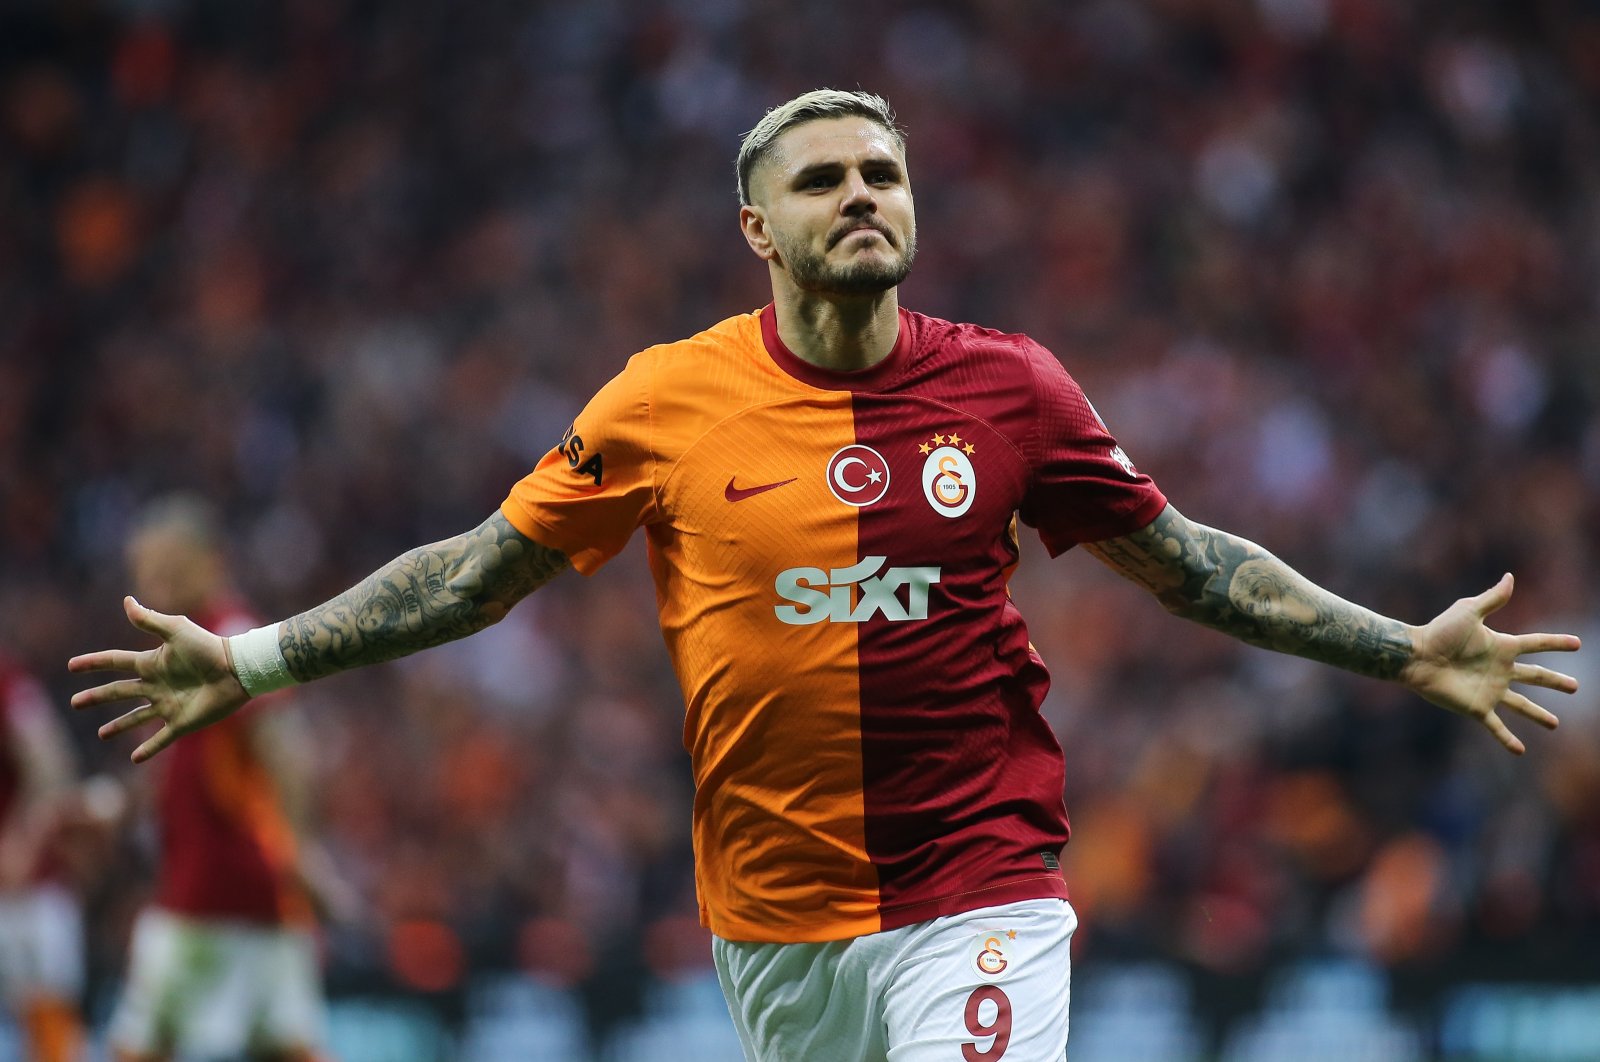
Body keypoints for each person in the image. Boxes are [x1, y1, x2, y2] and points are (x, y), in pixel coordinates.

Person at [70, 90, 1580, 1061]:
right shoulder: (663, 400)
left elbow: (1189, 566)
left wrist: (1402, 648)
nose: (862, 195)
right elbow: (474, 575)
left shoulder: (1013, 392)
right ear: (758, 226)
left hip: (977, 886)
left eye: (883, 173)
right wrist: (251, 658)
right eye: (823, 180)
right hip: (773, 923)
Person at [99, 496, 339, 1062]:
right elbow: (176, 769)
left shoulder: (231, 638)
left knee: (141, 1044)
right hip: (241, 890)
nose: (154, 582)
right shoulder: (185, 645)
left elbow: (289, 748)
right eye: (146, 569)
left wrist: (301, 849)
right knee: (288, 1045)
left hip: (217, 887)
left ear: (211, 563)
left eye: (169, 566)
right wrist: (115, 806)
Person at [0, 653, 88, 1062]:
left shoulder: (8, 680)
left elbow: (50, 761)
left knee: (46, 1017)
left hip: (24, 891)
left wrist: (22, 840)